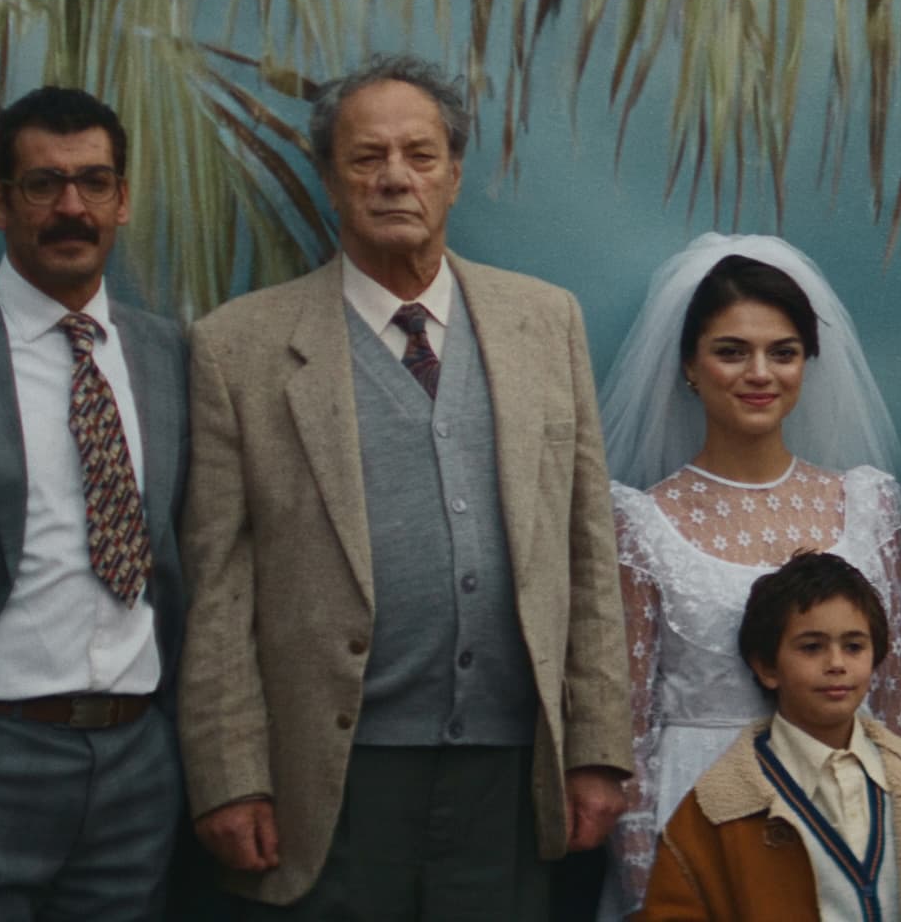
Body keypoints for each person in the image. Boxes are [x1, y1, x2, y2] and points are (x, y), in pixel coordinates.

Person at [177, 54, 632, 916]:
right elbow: (219, 590)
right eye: (367, 157)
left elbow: (587, 552)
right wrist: (231, 775)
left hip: (510, 771)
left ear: (454, 173)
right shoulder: (240, 347)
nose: (395, 178)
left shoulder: (545, 321)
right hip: (331, 781)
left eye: (420, 155)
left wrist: (599, 748)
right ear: (328, 178)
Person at [594, 234, 901, 915]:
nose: (760, 373)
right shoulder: (639, 523)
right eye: (731, 351)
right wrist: (645, 890)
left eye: (783, 352)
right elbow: (628, 725)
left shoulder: (867, 506)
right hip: (701, 817)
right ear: (689, 366)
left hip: (853, 815)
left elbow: (900, 700)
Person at [0, 86, 189, 919]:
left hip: (137, 760)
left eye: (94, 182)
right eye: (44, 184)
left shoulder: (170, 357)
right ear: (1, 205)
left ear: (122, 201)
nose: (71, 207)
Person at [641, 550, 901, 921]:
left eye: (854, 647)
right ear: (767, 667)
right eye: (812, 647)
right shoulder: (716, 811)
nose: (837, 664)